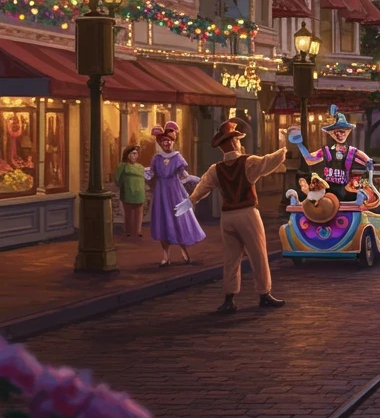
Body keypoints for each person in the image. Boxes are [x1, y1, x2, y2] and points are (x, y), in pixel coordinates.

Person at [187, 117, 289, 313]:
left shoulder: (215, 169)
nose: (240, 143)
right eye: (238, 140)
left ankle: (229, 298)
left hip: (228, 217)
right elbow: (270, 161)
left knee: (231, 258)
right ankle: (264, 293)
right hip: (247, 214)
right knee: (258, 254)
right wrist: (284, 147)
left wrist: (191, 200)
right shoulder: (248, 162)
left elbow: (202, 188)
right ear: (234, 142)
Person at [144, 122, 204, 267]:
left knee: (180, 219)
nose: (167, 143)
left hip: (175, 191)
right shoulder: (156, 158)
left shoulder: (177, 157)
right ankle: (166, 256)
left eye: (169, 141)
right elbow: (152, 173)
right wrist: (143, 172)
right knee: (163, 221)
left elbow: (183, 176)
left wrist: (197, 181)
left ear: (173, 142)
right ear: (160, 143)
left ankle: (185, 252)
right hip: (161, 192)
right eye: (164, 141)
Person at [291, 105, 371, 202]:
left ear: (348, 131)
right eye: (335, 133)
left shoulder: (352, 151)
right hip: (326, 191)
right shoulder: (326, 150)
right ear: (331, 133)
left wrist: (369, 163)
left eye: (342, 132)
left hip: (345, 190)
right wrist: (299, 144)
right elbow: (309, 160)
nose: (339, 135)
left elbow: (367, 160)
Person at [115, 145, 146, 238]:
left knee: (139, 213)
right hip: (128, 193)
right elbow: (117, 179)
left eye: (136, 154)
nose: (135, 156)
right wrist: (124, 186)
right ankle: (128, 231)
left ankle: (138, 231)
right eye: (133, 154)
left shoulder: (140, 167)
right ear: (127, 155)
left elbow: (144, 178)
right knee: (128, 213)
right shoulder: (123, 166)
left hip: (139, 193)